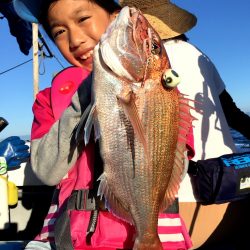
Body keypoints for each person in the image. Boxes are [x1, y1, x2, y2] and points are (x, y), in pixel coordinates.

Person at [13, 0, 194, 249]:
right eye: (59, 32)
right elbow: (45, 171)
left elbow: (176, 168)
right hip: (68, 237)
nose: (75, 39)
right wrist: (85, 97)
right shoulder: (48, 100)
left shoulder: (165, 97)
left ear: (114, 17)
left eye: (83, 19)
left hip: (153, 233)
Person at [118, 0, 250, 249]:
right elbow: (232, 115)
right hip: (231, 194)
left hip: (177, 210)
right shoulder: (199, 55)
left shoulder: (137, 66)